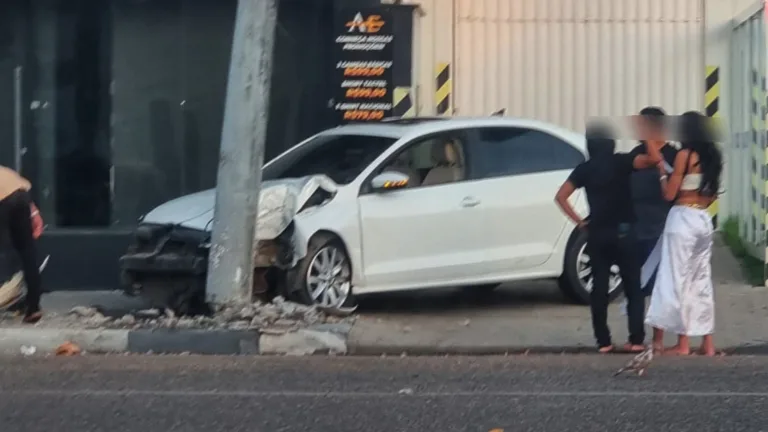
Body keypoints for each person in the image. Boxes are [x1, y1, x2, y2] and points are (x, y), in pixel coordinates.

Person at [555, 123, 662, 353]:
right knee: (633, 288)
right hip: (625, 233)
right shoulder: (622, 162)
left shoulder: (584, 170)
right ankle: (635, 340)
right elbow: (654, 160)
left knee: (599, 289)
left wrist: (580, 222)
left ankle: (603, 341)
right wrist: (648, 137)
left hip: (597, 233)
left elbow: (561, 197)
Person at [644, 111, 722, 356]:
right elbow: (710, 197)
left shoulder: (684, 156)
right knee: (700, 281)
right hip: (703, 219)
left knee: (674, 280)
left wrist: (662, 175)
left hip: (682, 220)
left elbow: (670, 194)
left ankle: (682, 343)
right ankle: (707, 343)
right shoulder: (713, 158)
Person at [629, 107, 678, 295]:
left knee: (662, 288)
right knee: (639, 289)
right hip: (637, 228)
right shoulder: (635, 154)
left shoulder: (674, 156)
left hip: (663, 230)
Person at [0, 165, 44, 323]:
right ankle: (33, 307)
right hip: (20, 195)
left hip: (3, 200)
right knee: (27, 249)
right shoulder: (4, 171)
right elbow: (20, 189)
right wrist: (34, 212)